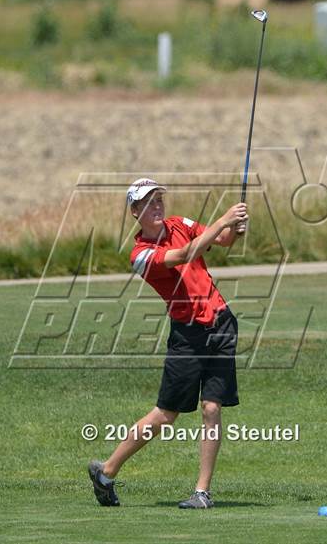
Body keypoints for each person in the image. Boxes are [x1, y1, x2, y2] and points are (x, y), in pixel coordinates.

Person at [88, 178, 248, 509]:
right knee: (165, 415)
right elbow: (188, 254)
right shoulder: (141, 255)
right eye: (149, 202)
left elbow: (222, 240)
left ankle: (202, 493)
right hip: (187, 336)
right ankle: (106, 472)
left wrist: (235, 227)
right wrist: (224, 218)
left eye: (159, 199)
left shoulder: (180, 223)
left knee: (213, 408)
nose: (157, 206)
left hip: (220, 322)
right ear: (135, 212)